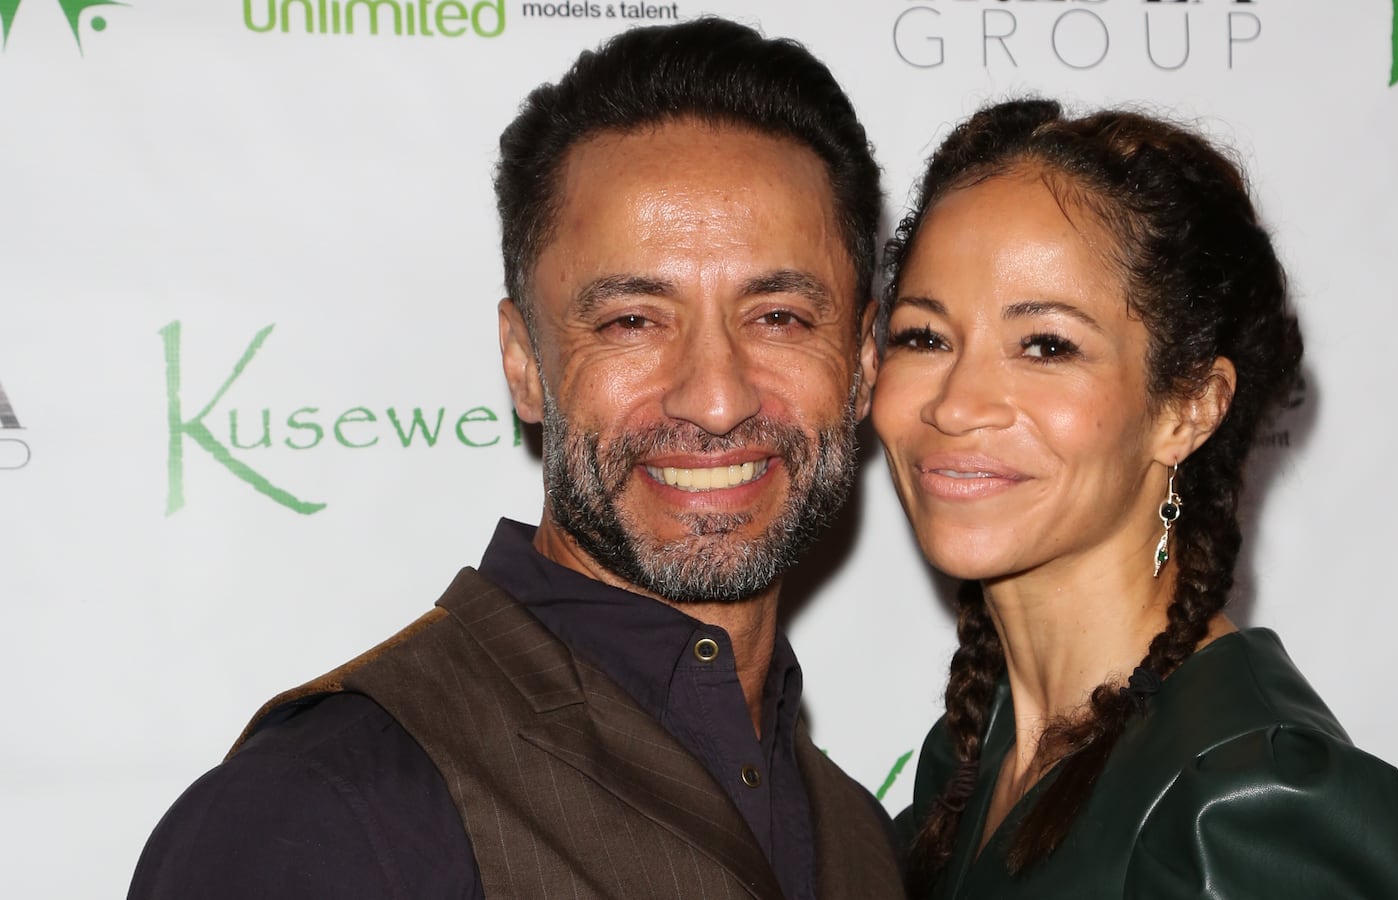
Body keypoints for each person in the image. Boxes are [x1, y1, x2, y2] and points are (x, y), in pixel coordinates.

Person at [128, 18, 903, 900]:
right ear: (525, 362)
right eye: (632, 321)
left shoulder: (858, 836)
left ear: (863, 363)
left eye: (779, 318)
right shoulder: (327, 814)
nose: (716, 397)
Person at [868, 99, 1398, 898]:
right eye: (924, 337)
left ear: (1188, 409)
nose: (957, 404)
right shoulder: (976, 753)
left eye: (1046, 345)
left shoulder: (1252, 806)